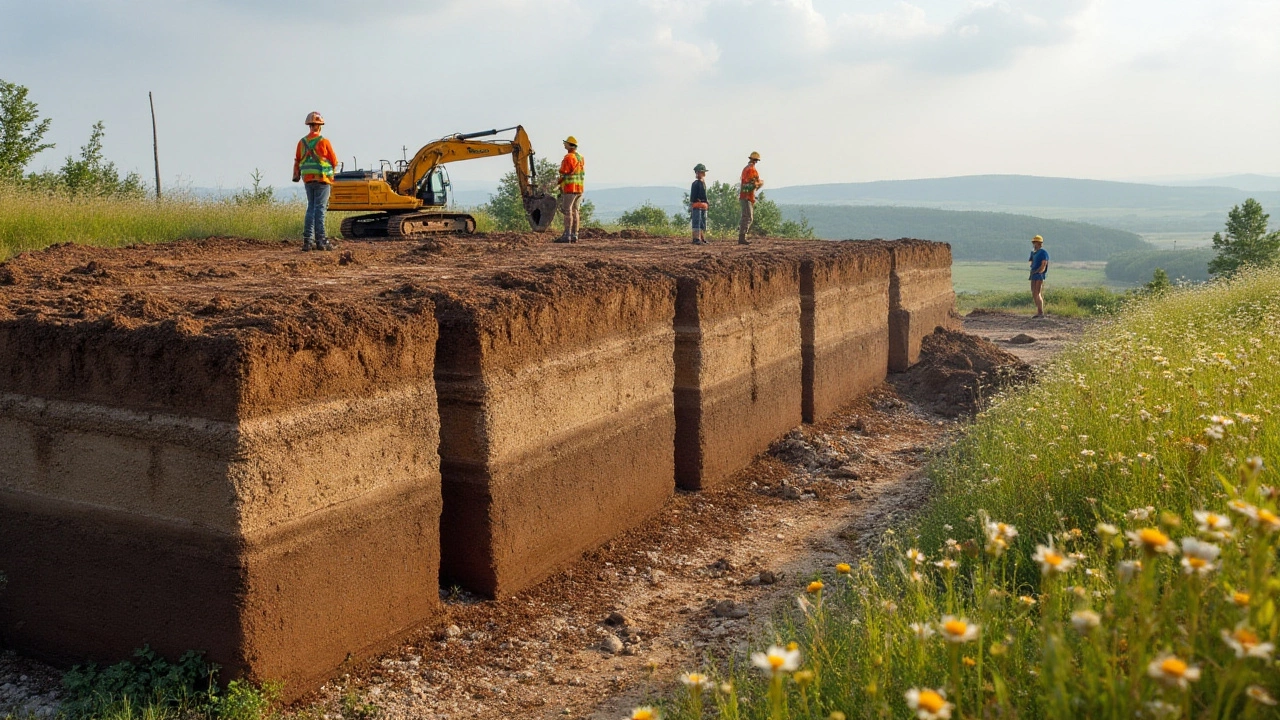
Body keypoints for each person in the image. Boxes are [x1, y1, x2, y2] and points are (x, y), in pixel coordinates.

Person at [292, 111, 339, 251]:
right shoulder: (324, 141)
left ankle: (307, 241)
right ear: (319, 126)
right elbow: (334, 161)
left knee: (311, 208)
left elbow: (298, 160)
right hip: (322, 179)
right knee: (320, 209)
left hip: (307, 179)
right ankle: (321, 241)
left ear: (309, 126)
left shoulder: (302, 142)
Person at [554, 136, 585, 243]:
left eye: (565, 143)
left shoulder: (568, 157)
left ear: (569, 145)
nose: (564, 145)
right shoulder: (580, 157)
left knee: (567, 211)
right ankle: (574, 235)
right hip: (579, 188)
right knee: (575, 210)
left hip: (570, 188)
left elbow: (564, 172)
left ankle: (567, 235)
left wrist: (557, 183)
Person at [738, 151, 762, 245]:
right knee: (748, 217)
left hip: (746, 196)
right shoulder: (751, 170)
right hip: (747, 196)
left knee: (746, 216)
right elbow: (749, 186)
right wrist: (758, 184)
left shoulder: (746, 169)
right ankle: (742, 237)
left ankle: (742, 236)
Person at [1029, 235, 1049, 318]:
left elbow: (1044, 263)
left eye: (1036, 243)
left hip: (1039, 274)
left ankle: (1041, 312)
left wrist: (1040, 272)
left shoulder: (1043, 252)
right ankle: (1038, 311)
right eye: (1034, 243)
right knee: (1034, 293)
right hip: (1033, 273)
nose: (1034, 244)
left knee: (1037, 293)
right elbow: (1031, 261)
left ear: (1040, 243)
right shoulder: (1033, 253)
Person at [690, 164, 709, 245]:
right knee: (697, 222)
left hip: (702, 206)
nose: (704, 173)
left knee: (702, 223)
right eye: (702, 172)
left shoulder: (701, 183)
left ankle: (702, 238)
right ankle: (696, 239)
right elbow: (693, 197)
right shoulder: (696, 184)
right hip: (698, 206)